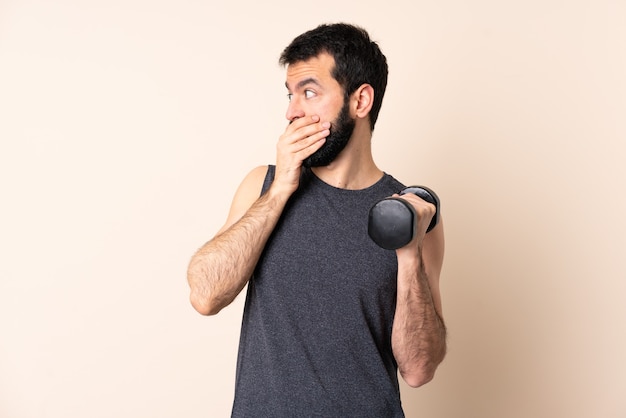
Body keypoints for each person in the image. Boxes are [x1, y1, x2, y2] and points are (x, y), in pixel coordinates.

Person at [187, 22, 446, 417]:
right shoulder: (264, 186)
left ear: (360, 101)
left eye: (309, 92)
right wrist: (279, 192)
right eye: (290, 96)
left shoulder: (411, 215)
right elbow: (205, 296)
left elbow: (419, 368)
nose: (292, 112)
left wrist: (409, 256)